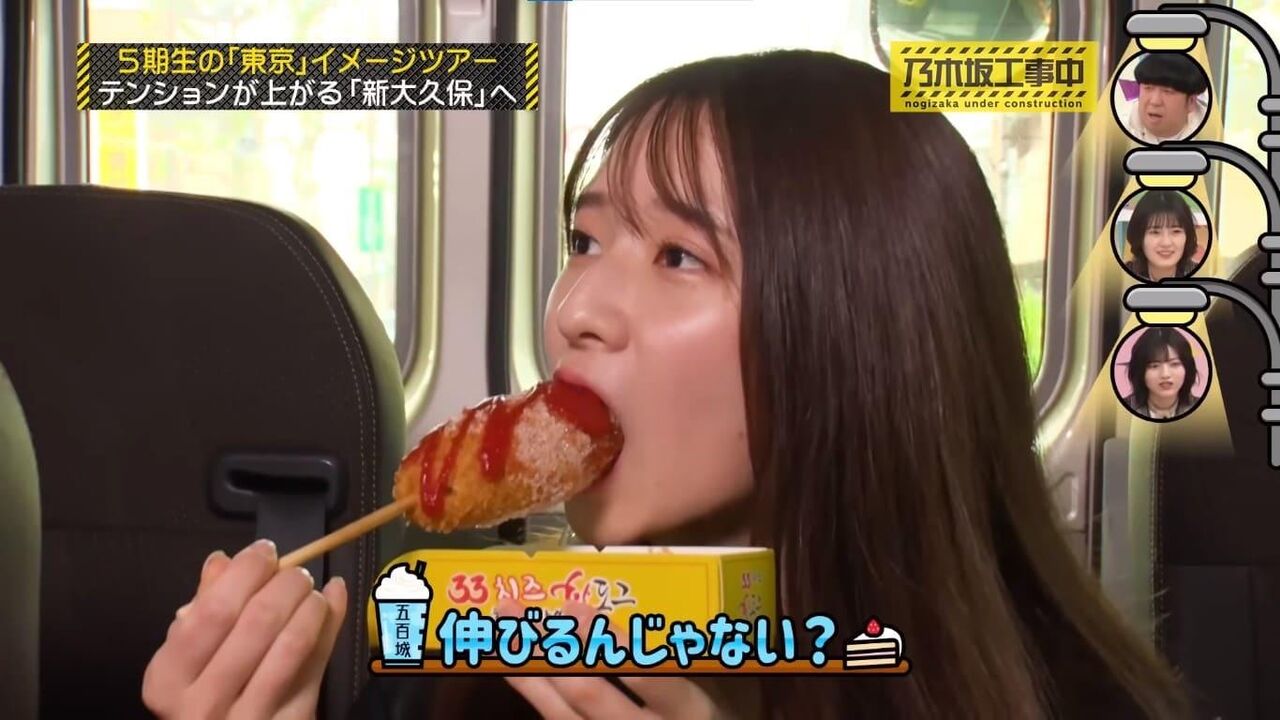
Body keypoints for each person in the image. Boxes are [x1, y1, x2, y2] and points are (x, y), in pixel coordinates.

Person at [142, 51, 1190, 718]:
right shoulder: (499, 662)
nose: (574, 309)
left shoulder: (1072, 699)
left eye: (678, 256)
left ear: (855, 333)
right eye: (585, 240)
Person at [1118, 52, 1209, 144]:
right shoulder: (1119, 129)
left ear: (1191, 101)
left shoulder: (1211, 133)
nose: (1155, 101)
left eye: (1167, 91)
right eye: (1148, 88)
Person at [1123, 327, 1202, 421]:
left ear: (1187, 368)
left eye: (1174, 364)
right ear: (1140, 370)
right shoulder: (1121, 411)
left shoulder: (1205, 410)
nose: (1165, 374)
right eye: (1154, 366)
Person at [1123, 190, 1200, 281]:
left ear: (1187, 235)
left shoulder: (1201, 275)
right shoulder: (1121, 277)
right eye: (1155, 232)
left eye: (1176, 231)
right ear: (1139, 236)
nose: (1166, 243)